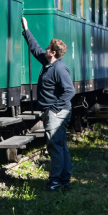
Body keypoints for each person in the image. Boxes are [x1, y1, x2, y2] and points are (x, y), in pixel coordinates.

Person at [21, 17, 75, 191]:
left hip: (57, 114)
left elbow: (70, 91)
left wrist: (54, 108)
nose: (45, 49)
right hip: (56, 112)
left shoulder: (59, 69)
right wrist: (26, 30)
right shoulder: (48, 64)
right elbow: (35, 49)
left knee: (55, 147)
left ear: (53, 53)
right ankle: (65, 180)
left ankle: (55, 182)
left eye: (48, 48)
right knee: (61, 146)